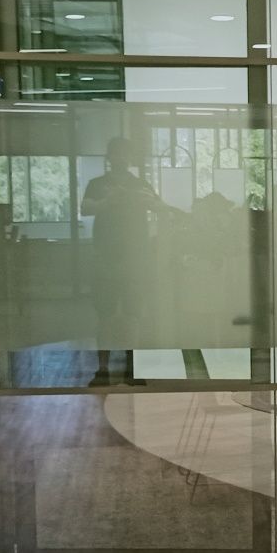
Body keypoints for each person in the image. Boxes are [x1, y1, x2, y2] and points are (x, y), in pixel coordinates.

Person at [80, 137, 161, 386]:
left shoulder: (140, 184)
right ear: (109, 156)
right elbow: (84, 208)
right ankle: (102, 369)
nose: (121, 159)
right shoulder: (98, 184)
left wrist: (144, 201)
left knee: (133, 315)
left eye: (125, 154)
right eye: (116, 154)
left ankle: (131, 367)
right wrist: (108, 202)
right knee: (104, 314)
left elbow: (159, 207)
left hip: (135, 259)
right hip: (105, 258)